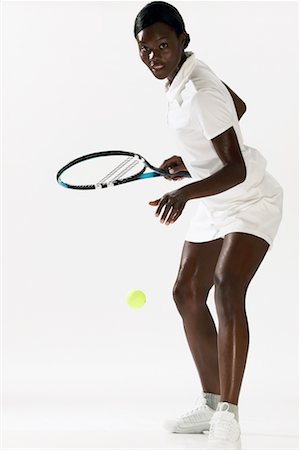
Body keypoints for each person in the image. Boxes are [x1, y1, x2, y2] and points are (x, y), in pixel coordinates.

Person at [134, 2, 283, 449]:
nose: (155, 56)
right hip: (211, 194)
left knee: (226, 287)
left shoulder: (198, 89)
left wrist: (183, 192)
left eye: (164, 45)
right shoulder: (185, 78)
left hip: (249, 198)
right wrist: (193, 161)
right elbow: (238, 106)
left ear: (183, 41)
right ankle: (211, 401)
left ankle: (230, 416)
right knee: (185, 292)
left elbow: (235, 169)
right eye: (145, 48)